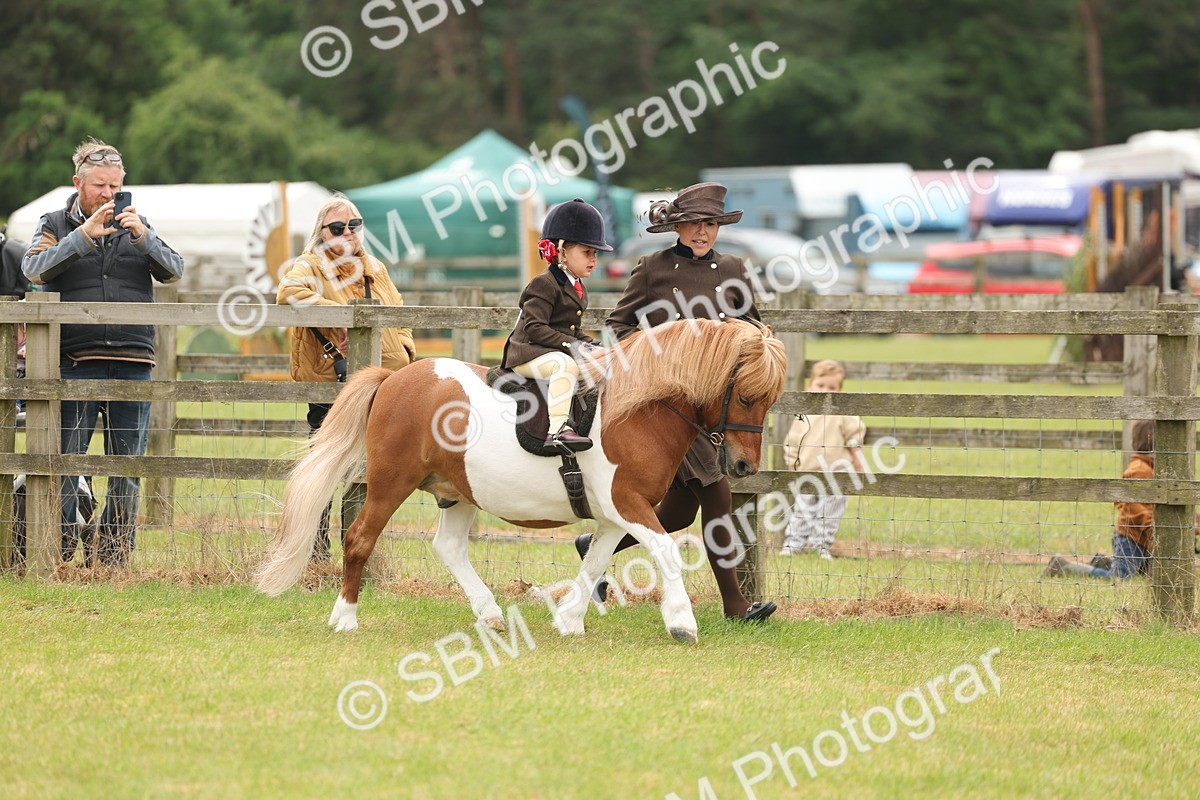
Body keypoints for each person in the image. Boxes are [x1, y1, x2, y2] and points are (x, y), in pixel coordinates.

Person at [576, 182, 776, 621]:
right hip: (662, 407)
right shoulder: (651, 268)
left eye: (710, 224)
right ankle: (735, 606)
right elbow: (617, 328)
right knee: (718, 497)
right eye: (693, 223)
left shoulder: (735, 269)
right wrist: (658, 353)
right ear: (677, 226)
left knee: (681, 511)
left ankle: (594, 549)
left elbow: (754, 331)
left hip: (711, 410)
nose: (702, 232)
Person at [22, 139, 185, 566]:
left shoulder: (139, 226)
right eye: (99, 186)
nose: (109, 195)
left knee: (127, 470)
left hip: (134, 361)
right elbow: (33, 269)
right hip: (74, 362)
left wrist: (144, 238)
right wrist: (82, 237)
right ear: (78, 183)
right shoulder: (55, 223)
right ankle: (56, 552)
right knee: (65, 465)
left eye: (115, 186)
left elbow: (174, 270)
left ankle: (112, 557)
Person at [277, 195, 416, 558]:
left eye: (353, 226)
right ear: (322, 233)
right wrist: (342, 315)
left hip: (384, 384)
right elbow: (288, 292)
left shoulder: (376, 267)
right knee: (325, 466)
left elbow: (398, 310)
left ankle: (355, 549)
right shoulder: (310, 265)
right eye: (337, 228)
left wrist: (406, 350)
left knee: (368, 466)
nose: (347, 233)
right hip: (331, 384)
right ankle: (313, 551)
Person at [500, 198, 608, 452]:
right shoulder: (544, 284)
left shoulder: (578, 286)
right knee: (566, 365)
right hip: (525, 352)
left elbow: (569, 328)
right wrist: (574, 346)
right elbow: (534, 328)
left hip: (548, 349)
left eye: (595, 254)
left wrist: (595, 347)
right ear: (560, 251)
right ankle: (558, 429)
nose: (593, 260)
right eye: (587, 252)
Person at [1045, 419, 1159, 580]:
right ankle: (1064, 567)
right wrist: (1153, 526)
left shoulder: (1151, 468)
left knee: (1145, 573)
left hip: (1141, 537)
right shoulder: (1139, 470)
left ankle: (1101, 562)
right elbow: (1134, 506)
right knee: (1119, 577)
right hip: (1131, 537)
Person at [780, 360, 865, 560]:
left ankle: (821, 545)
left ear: (840, 391)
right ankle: (793, 545)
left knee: (830, 512)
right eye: (820, 386)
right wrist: (793, 464)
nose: (825, 391)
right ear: (810, 386)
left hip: (837, 471)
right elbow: (793, 440)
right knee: (802, 510)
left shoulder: (842, 412)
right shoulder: (803, 414)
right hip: (807, 470)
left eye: (832, 388)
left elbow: (854, 436)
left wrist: (858, 462)